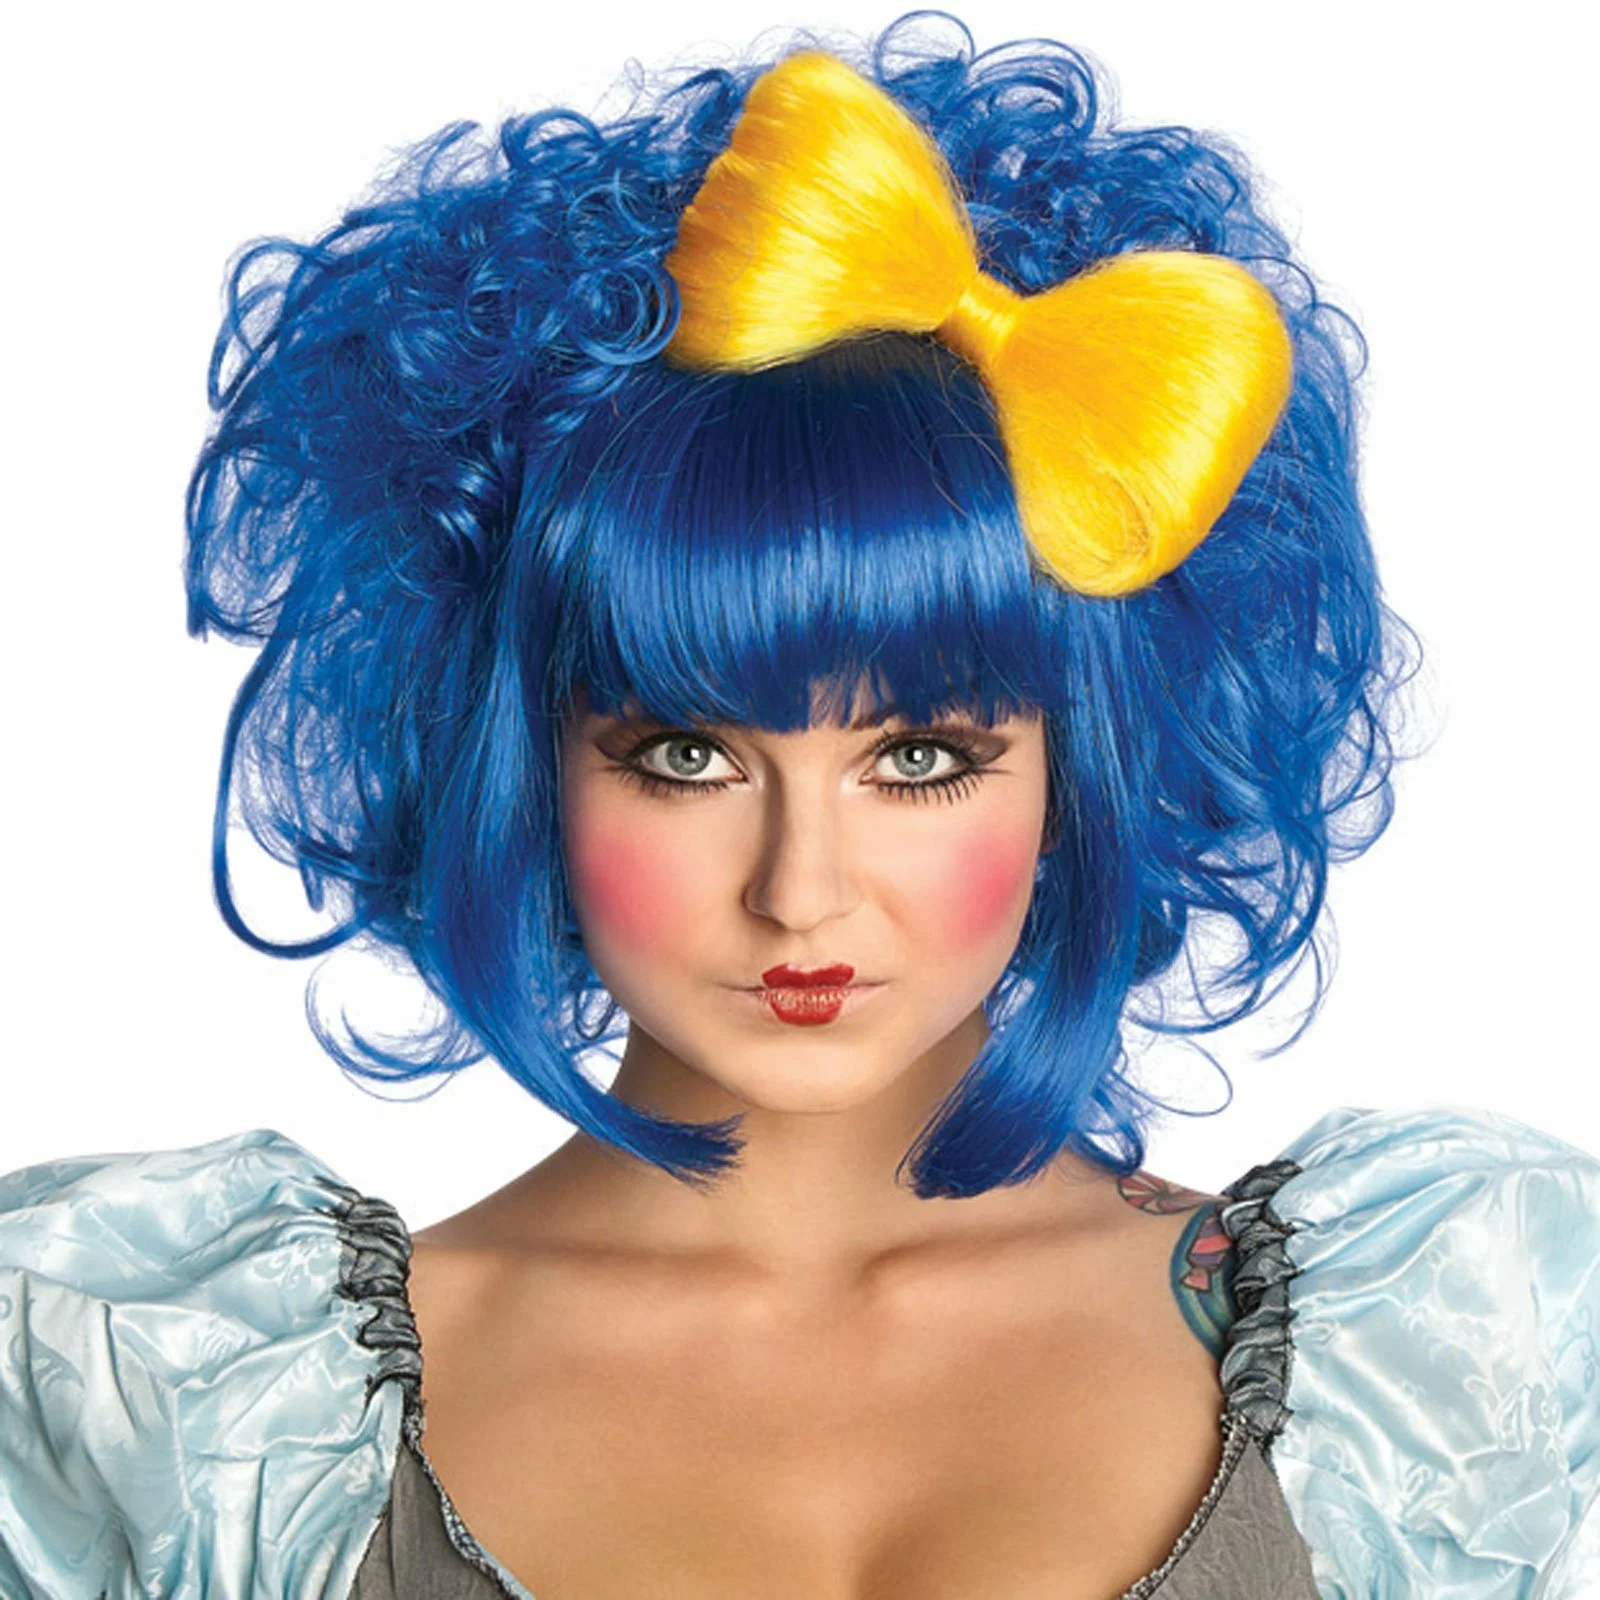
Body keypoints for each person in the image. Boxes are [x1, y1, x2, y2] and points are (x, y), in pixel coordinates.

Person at [1, 12, 1596, 1598]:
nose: (800, 888)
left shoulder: (1441, 1355)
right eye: (686, 756)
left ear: (1082, 771)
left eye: (920, 759)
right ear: (526, 766)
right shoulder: (194, 1410)